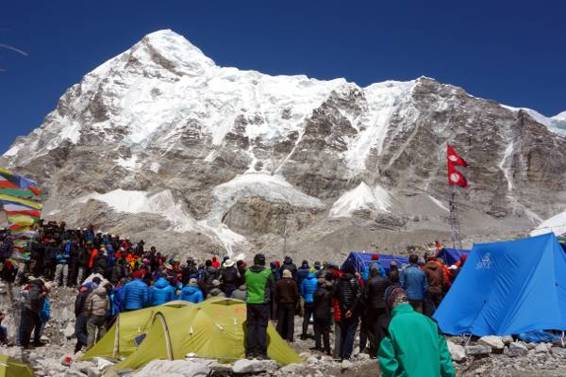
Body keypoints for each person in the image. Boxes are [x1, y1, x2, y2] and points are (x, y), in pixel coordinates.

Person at [378, 287, 456, 377]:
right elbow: (445, 359)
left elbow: (388, 366)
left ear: (389, 304)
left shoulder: (388, 326)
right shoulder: (431, 322)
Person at [244, 253, 274, 359]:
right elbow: (272, 286)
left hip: (250, 302)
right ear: (263, 262)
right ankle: (261, 352)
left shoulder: (247, 272)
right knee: (261, 327)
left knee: (251, 326)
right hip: (263, 303)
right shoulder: (267, 272)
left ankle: (250, 352)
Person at [333, 267, 361, 360]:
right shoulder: (354, 281)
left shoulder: (338, 281)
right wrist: (351, 310)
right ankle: (346, 355)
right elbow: (357, 296)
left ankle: (341, 354)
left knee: (344, 332)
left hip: (342, 310)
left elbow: (334, 294)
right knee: (350, 332)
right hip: (353, 311)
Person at [364, 267, 391, 356]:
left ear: (372, 273)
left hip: (373, 307)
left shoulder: (370, 281)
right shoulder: (385, 280)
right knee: (382, 326)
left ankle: (375, 348)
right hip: (384, 306)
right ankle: (384, 347)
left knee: (372, 328)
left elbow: (366, 296)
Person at [18, 278, 45, 348]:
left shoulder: (35, 288)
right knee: (26, 326)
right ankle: (23, 343)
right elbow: (33, 298)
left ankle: (27, 343)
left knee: (32, 325)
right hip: (29, 309)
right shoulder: (36, 288)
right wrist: (42, 295)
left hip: (31, 309)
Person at [274, 269, 299, 342]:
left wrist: (278, 301)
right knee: (290, 320)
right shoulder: (293, 283)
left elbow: (276, 294)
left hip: (282, 303)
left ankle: (278, 335)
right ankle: (289, 337)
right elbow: (296, 294)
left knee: (281, 320)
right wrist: (295, 302)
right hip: (291, 303)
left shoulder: (278, 283)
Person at [85, 283, 109, 348]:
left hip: (94, 315)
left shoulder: (94, 297)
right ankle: (99, 347)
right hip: (103, 316)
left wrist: (88, 314)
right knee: (102, 332)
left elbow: (89, 307)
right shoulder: (106, 297)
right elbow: (108, 307)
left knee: (91, 333)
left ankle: (89, 348)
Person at [313, 278, 332, 355]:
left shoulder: (315, 293)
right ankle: (327, 348)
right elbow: (330, 304)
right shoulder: (328, 293)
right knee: (325, 332)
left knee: (317, 331)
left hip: (316, 313)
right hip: (325, 314)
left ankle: (318, 346)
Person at [300, 270, 318, 340]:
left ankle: (304, 335)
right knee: (316, 320)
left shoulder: (304, 281)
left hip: (307, 301)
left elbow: (302, 291)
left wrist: (305, 297)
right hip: (314, 302)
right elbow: (317, 291)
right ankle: (316, 336)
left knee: (306, 319)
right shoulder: (316, 281)